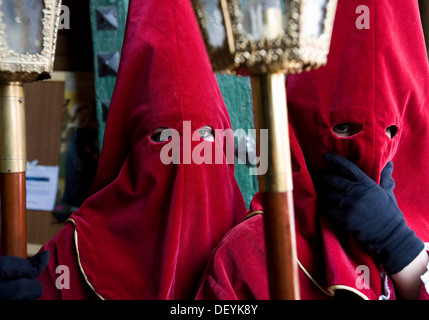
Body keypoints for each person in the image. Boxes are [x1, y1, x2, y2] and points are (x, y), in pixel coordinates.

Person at [195, 0, 429, 300]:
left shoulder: (418, 231)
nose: (369, 150)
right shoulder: (250, 254)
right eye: (343, 128)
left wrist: (403, 251)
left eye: (390, 131)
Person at [30, 0, 247, 299]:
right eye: (163, 136)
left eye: (205, 135)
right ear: (132, 145)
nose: (184, 152)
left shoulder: (256, 250)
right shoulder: (69, 255)